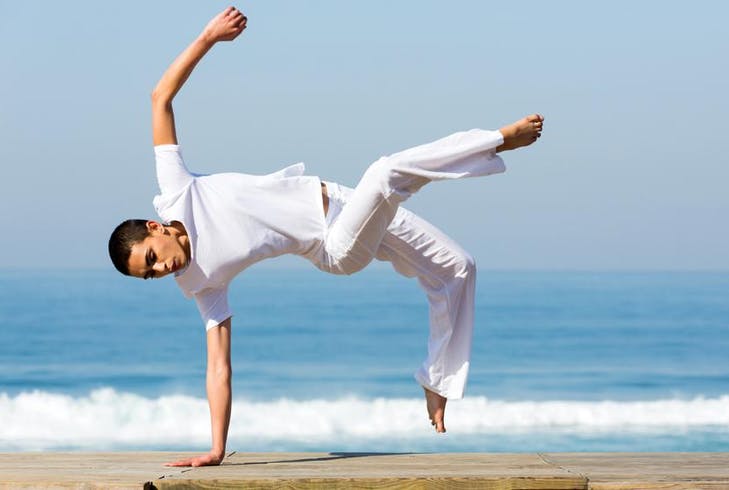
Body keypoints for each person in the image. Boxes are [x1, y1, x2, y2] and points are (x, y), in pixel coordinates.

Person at [108, 6, 544, 467]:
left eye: (152, 258)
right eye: (151, 275)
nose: (162, 269)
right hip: (335, 247)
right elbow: (218, 365)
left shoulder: (177, 189)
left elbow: (160, 98)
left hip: (343, 201)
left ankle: (437, 379)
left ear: (154, 229)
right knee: (386, 171)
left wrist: (209, 37)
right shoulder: (199, 281)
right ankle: (495, 141)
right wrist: (217, 449)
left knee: (459, 267)